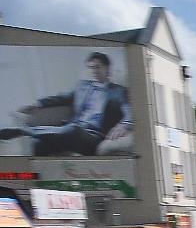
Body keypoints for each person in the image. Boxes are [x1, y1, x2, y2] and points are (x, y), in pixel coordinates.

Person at [0, 52, 133, 156]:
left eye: (98, 67)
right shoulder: (82, 86)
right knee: (37, 144)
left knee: (73, 129)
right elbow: (61, 98)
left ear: (108, 69)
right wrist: (38, 103)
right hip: (71, 129)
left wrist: (125, 124)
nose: (94, 71)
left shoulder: (119, 91)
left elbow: (130, 110)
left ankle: (23, 131)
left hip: (93, 136)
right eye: (91, 67)